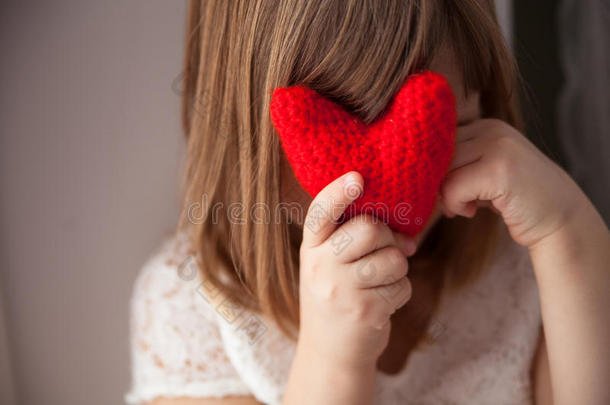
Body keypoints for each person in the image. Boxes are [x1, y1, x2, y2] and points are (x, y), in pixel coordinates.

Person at [125, 1, 610, 404]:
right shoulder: (194, 310)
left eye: (437, 136)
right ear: (246, 139)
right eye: (340, 149)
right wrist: (334, 362)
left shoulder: (524, 261)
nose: (400, 191)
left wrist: (569, 231)